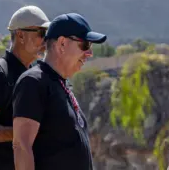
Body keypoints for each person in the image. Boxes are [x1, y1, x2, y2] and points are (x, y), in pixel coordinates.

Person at [12, 13, 106, 170]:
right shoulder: (34, 82)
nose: (89, 53)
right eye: (85, 45)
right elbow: (21, 146)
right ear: (62, 43)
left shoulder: (60, 84)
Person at [0, 5, 50, 170]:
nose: (45, 41)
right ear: (20, 35)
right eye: (41, 33)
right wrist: (22, 134)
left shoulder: (30, 74)